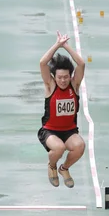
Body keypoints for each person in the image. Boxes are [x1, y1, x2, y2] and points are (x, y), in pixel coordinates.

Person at [38, 32, 86, 188]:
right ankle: (52, 166)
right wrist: (57, 45)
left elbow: (81, 64)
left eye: (66, 77)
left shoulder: (74, 85)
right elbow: (42, 63)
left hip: (69, 131)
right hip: (49, 131)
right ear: (54, 76)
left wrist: (66, 46)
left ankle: (64, 168)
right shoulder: (50, 85)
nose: (63, 80)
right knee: (59, 148)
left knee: (80, 147)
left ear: (70, 75)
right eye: (59, 77)